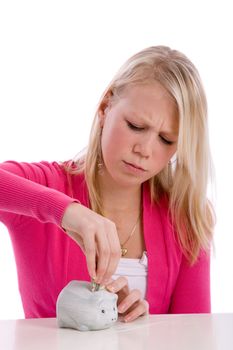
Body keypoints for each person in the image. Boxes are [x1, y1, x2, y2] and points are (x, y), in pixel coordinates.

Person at [0, 45, 215, 323]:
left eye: (166, 140)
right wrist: (67, 212)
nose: (145, 150)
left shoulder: (185, 217)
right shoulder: (48, 185)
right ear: (105, 108)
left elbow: (194, 338)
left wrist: (145, 329)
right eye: (136, 126)